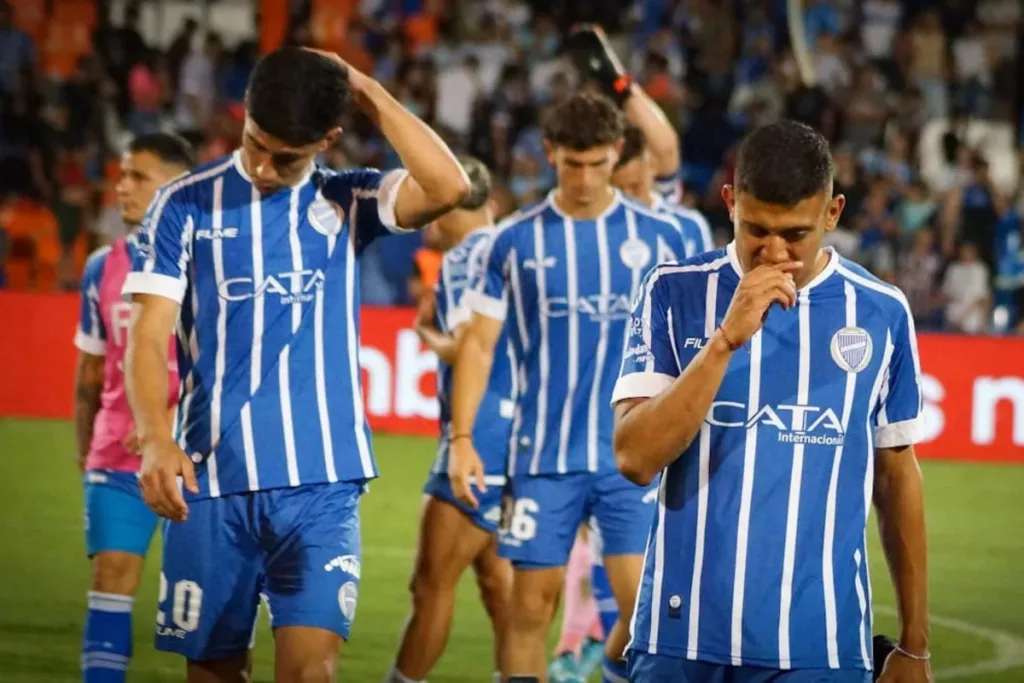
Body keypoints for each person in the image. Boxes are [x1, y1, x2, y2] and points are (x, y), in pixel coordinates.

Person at [122, 46, 469, 683]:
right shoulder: (183, 206)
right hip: (212, 481)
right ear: (244, 115)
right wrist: (151, 438)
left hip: (322, 484)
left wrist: (365, 89)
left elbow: (449, 187)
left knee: (313, 674)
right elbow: (147, 337)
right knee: (214, 673)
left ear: (328, 140)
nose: (262, 164)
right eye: (256, 142)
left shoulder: (347, 199)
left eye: (286, 156)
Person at [612, 120, 932, 683]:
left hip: (818, 647)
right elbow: (635, 458)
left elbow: (896, 475)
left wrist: (915, 646)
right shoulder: (673, 290)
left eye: (796, 234)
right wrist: (724, 341)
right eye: (756, 229)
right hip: (679, 641)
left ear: (833, 214)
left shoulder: (880, 311)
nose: (774, 252)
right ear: (730, 202)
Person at [449, 91, 688, 683]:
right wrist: (461, 436)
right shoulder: (513, 240)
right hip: (543, 456)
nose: (584, 178)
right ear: (550, 154)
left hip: (631, 458)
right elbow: (477, 344)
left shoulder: (662, 239)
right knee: (528, 608)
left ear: (617, 155)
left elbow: (694, 348)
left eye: (597, 164)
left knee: (644, 613)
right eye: (571, 164)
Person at [74, 132, 196, 683]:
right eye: (121, 175)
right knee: (112, 578)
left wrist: (164, 427)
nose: (122, 186)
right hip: (115, 462)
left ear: (174, 183)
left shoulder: (209, 261)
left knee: (205, 609)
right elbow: (90, 375)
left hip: (192, 461)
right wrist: (88, 458)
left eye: (138, 176)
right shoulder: (102, 267)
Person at [387, 157, 513, 683]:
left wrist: (426, 335)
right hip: (516, 435)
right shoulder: (509, 243)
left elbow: (467, 348)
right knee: (501, 590)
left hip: (480, 434)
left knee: (430, 584)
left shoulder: (467, 257)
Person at [612, 125, 715, 258]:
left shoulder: (689, 227)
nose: (627, 197)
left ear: (652, 166)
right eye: (618, 190)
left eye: (635, 186)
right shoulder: (598, 227)